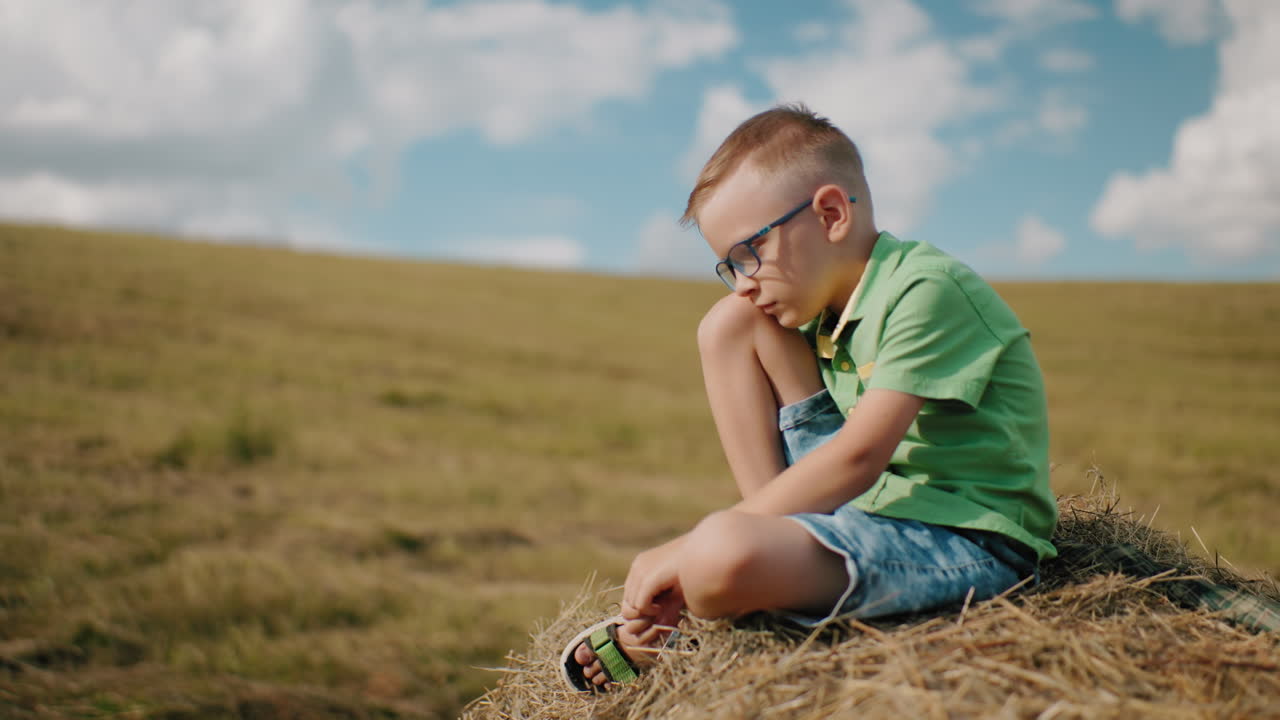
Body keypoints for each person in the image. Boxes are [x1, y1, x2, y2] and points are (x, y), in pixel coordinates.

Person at [563, 103, 1058, 691]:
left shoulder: (927, 290)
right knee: (728, 325)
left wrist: (690, 546)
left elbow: (857, 458)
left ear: (829, 214)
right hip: (871, 506)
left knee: (717, 550)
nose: (744, 280)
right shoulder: (825, 302)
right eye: (728, 265)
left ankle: (717, 610)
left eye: (751, 254)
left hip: (962, 537)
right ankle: (760, 562)